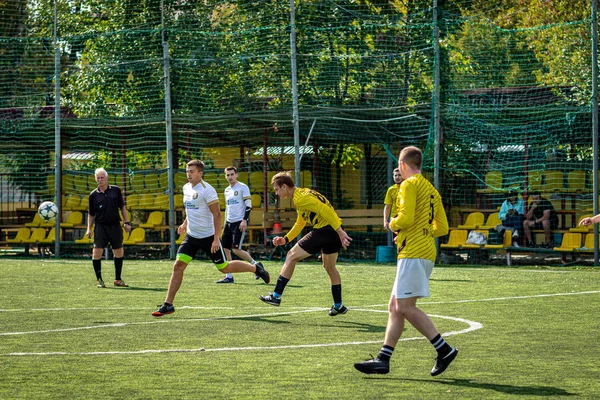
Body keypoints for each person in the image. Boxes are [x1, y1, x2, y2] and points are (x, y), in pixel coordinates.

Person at [354, 146, 457, 377]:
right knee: (395, 307)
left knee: (405, 307)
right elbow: (442, 228)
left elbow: (406, 217)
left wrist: (392, 224)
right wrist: (421, 232)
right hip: (424, 251)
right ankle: (383, 359)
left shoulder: (408, 185)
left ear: (402, 164)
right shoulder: (431, 189)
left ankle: (445, 350)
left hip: (413, 252)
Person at [152, 160, 270, 317]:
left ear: (200, 173)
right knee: (178, 266)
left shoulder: (208, 190)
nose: (189, 174)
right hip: (191, 237)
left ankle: (256, 268)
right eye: (187, 171)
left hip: (209, 238)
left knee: (225, 268)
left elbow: (217, 214)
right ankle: (168, 305)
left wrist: (216, 238)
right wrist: (184, 224)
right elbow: (191, 210)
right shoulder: (186, 188)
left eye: (192, 171)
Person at [258, 172, 352, 316]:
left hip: (325, 230)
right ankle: (338, 305)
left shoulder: (301, 198)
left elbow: (325, 210)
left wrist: (340, 231)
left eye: (277, 190)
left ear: (284, 186)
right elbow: (301, 221)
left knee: (291, 256)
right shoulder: (301, 194)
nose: (276, 193)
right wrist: (286, 238)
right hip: (332, 230)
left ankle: (276, 296)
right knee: (330, 267)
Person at [85, 167, 131, 288]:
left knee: (119, 251)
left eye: (102, 177)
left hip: (115, 225)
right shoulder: (93, 195)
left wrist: (127, 222)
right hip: (100, 226)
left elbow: (122, 207)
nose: (100, 180)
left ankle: (118, 279)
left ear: (107, 178)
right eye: (98, 178)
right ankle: (99, 280)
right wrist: (88, 228)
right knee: (96, 252)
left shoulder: (115, 190)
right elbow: (91, 214)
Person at [217, 166, 263, 283]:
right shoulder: (227, 190)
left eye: (232, 174)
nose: (230, 177)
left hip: (239, 222)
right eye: (227, 175)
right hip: (228, 223)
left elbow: (248, 205)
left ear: (236, 175)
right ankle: (229, 276)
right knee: (225, 249)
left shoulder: (243, 187)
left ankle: (256, 266)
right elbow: (228, 208)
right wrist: (224, 224)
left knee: (236, 250)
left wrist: (244, 220)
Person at [383, 168, 403, 232]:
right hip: (395, 219)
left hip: (405, 217)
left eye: (399, 175)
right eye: (395, 175)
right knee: (396, 241)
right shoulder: (391, 189)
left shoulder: (408, 188)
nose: (397, 177)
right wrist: (385, 221)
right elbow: (387, 207)